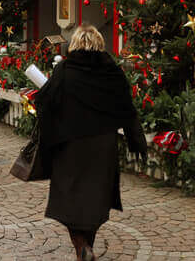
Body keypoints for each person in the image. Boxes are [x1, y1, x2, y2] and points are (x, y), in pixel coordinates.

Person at [36, 25, 147, 261]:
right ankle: (85, 248)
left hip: (70, 144)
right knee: (96, 200)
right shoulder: (112, 72)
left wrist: (47, 136)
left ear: (75, 43)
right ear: (99, 44)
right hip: (103, 144)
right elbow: (127, 108)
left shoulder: (65, 69)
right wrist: (136, 140)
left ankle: (82, 247)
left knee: (67, 200)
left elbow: (46, 102)